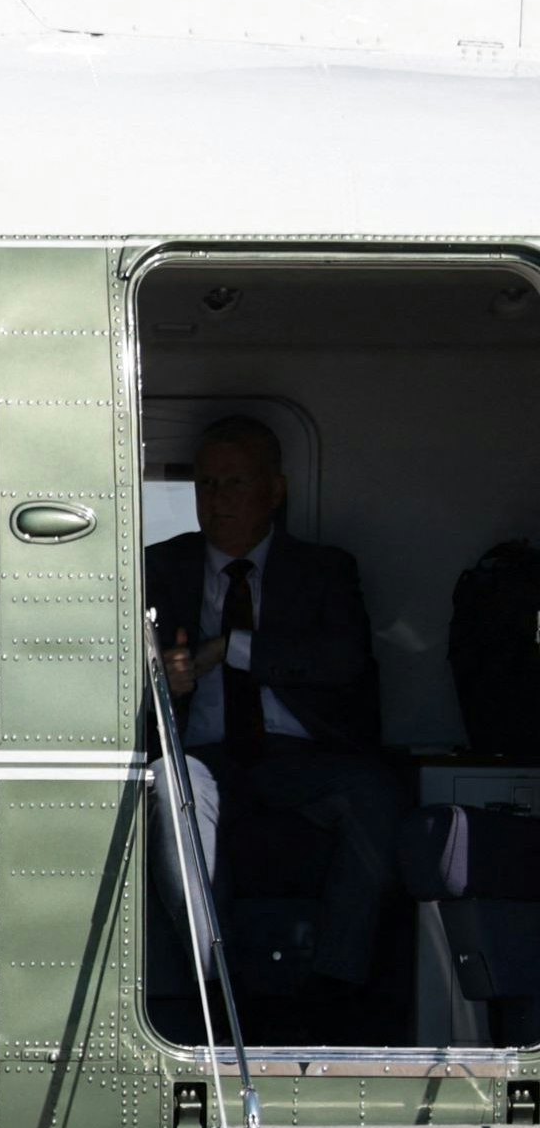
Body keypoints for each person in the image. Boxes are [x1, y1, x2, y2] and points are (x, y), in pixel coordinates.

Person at [150, 416, 403, 1011]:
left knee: (375, 791)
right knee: (169, 785)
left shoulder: (324, 570)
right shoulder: (159, 566)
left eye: (235, 483)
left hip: (298, 759)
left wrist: (229, 648)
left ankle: (334, 991)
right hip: (203, 754)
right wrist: (165, 677)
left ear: (276, 490)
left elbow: (341, 660)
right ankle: (217, 995)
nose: (217, 499)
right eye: (206, 484)